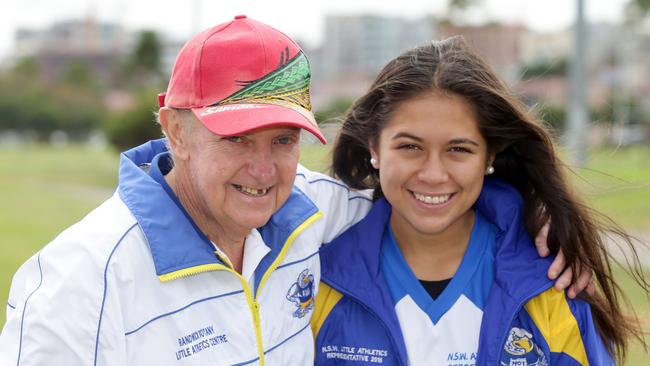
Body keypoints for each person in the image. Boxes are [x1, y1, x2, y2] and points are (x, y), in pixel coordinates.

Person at [0, 17, 583, 366]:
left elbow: (422, 196)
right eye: (235, 139)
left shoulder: (310, 210)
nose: (262, 168)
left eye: (282, 140)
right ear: (175, 129)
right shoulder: (81, 277)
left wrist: (534, 217)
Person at [311, 37, 646, 365]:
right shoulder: (315, 276)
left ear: (490, 155)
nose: (433, 174)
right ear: (374, 148)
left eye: (458, 149)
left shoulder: (548, 283)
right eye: (410, 147)